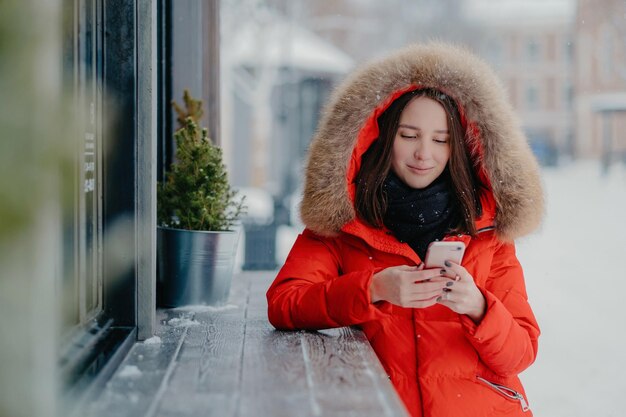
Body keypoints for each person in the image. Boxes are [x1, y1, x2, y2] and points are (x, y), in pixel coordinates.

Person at [266, 42, 543, 417]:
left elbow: (521, 352)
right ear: (380, 136)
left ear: (458, 147)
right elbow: (285, 303)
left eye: (440, 140)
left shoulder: (488, 231)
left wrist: (478, 306)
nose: (423, 154)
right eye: (409, 136)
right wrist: (374, 288)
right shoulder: (343, 224)